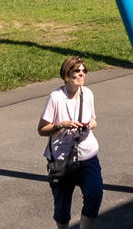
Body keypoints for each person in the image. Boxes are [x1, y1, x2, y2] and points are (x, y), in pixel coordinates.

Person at [39, 56, 101, 229]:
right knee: (62, 204)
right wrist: (60, 125)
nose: (81, 74)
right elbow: (42, 130)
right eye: (77, 70)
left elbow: (93, 118)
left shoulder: (87, 93)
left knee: (95, 194)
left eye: (83, 71)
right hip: (62, 158)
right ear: (67, 75)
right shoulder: (55, 98)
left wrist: (91, 124)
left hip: (87, 155)